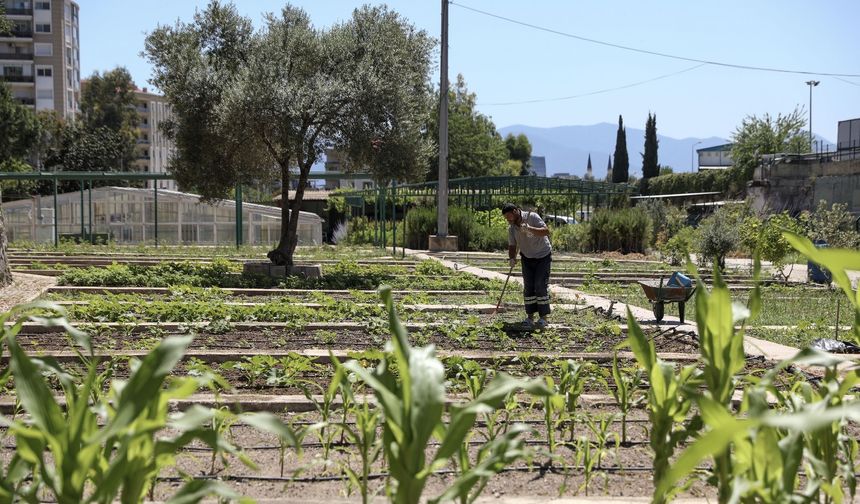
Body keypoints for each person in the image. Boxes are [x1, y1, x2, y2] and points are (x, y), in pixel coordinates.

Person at [502, 202, 552, 329]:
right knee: (529, 286)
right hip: (527, 257)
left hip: (543, 256)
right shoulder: (512, 228)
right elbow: (512, 245)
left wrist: (529, 228)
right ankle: (530, 317)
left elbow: (546, 231)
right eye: (506, 218)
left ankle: (543, 318)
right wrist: (512, 258)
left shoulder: (533, 217)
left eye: (509, 217)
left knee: (540, 285)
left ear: (515, 211)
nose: (508, 220)